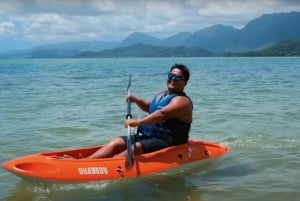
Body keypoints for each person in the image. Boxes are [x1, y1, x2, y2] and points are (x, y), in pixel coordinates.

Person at [86, 63, 193, 159]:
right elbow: (149, 107)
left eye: (178, 77)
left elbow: (162, 113)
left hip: (168, 141)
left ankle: (111, 163)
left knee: (133, 148)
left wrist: (138, 122)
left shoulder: (182, 102)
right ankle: (85, 162)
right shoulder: (162, 94)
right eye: (171, 76)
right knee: (115, 142)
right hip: (150, 137)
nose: (173, 79)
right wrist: (136, 100)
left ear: (185, 83)